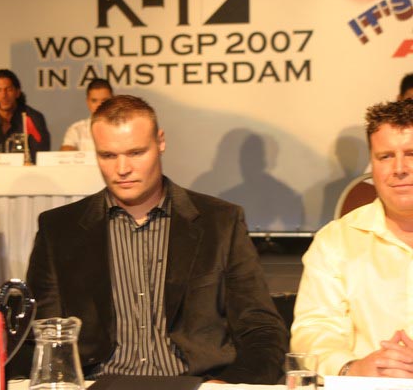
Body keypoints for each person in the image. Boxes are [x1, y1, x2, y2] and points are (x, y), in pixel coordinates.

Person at [25, 95, 288, 383]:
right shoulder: (59, 230)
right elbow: (41, 334)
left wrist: (229, 385)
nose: (122, 169)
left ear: (160, 142)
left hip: (196, 384)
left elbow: (262, 329)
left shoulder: (220, 222)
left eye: (136, 153)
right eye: (108, 156)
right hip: (100, 383)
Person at [291, 99, 413, 378]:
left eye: (411, 153)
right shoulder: (335, 240)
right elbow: (314, 329)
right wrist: (352, 368)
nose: (399, 168)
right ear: (372, 163)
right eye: (385, 156)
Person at [60, 78, 113, 151]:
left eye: (104, 100)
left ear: (113, 100)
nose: (99, 105)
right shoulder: (76, 130)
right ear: (88, 102)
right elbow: (65, 154)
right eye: (94, 101)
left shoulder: (125, 128)